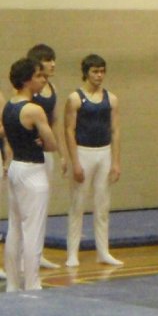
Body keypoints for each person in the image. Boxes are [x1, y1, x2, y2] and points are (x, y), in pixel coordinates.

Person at [2, 58, 58, 291]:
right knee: (33, 230)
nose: (43, 80)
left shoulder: (9, 106)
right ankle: (33, 284)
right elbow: (52, 144)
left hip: (16, 167)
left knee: (15, 229)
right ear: (26, 80)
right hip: (33, 172)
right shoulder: (34, 110)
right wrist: (42, 141)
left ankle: (13, 284)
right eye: (39, 76)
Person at [64, 54, 123, 267]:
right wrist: (75, 162)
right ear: (86, 73)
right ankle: (72, 253)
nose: (99, 75)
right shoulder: (75, 99)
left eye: (102, 71)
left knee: (102, 204)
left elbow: (115, 131)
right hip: (83, 152)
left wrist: (116, 162)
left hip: (104, 153)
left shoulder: (111, 99)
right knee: (77, 204)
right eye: (95, 71)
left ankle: (103, 252)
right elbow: (69, 131)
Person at [27, 43, 67, 269]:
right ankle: (23, 256)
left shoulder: (53, 88)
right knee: (27, 208)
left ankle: (37, 252)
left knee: (42, 205)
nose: (53, 64)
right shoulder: (28, 89)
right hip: (28, 153)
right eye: (48, 60)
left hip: (46, 153)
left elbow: (55, 122)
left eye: (53, 60)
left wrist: (61, 153)